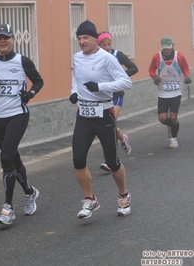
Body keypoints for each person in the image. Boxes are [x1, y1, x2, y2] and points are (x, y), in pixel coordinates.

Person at [0, 24, 43, 225]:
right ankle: (30, 192)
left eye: (6, 37)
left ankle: (7, 208)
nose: (2, 41)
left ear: (13, 38)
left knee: (6, 157)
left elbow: (39, 81)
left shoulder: (23, 61)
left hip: (17, 114)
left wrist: (30, 94)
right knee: (13, 157)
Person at [69, 20, 132, 218]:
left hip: (104, 113)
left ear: (95, 39)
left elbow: (126, 81)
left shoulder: (106, 58)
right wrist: (73, 91)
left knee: (112, 162)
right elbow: (76, 77)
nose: (82, 41)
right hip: (84, 115)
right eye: (79, 38)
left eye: (85, 37)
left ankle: (123, 195)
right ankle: (90, 199)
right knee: (78, 159)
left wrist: (101, 87)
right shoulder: (77, 57)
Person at [97, 31, 138, 172]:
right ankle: (123, 138)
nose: (107, 47)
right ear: (99, 45)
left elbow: (134, 68)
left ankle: (111, 161)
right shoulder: (96, 57)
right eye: (104, 45)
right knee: (108, 125)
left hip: (116, 95)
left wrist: (120, 75)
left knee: (109, 124)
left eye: (109, 44)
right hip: (102, 95)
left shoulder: (117, 55)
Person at [148, 36, 191, 149]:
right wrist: (155, 77)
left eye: (168, 48)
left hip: (176, 91)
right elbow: (151, 70)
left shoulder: (179, 56)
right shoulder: (157, 57)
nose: (166, 50)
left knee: (173, 116)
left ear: (173, 46)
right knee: (162, 118)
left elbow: (185, 68)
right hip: (163, 91)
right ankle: (170, 126)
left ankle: (173, 139)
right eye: (164, 48)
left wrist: (186, 76)